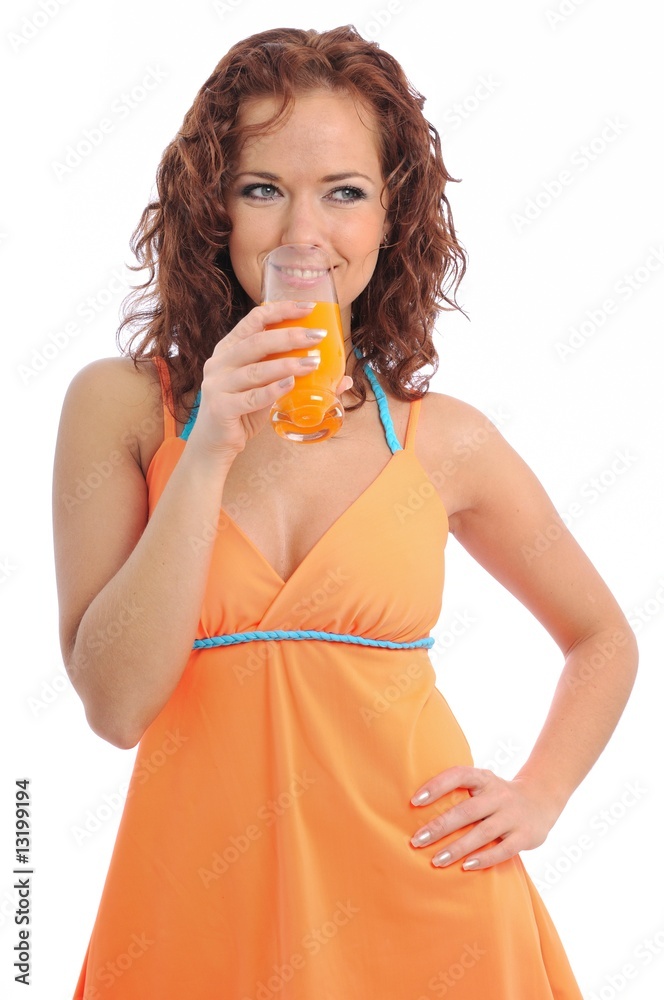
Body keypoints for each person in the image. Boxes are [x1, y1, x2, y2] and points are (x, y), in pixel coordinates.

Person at [53, 25, 637, 999]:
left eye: (344, 191)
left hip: (434, 918)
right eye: (261, 188)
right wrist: (207, 455)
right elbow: (115, 706)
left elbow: (602, 636)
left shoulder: (445, 440)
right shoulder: (120, 409)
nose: (301, 235)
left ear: (391, 217)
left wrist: (540, 792)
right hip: (198, 924)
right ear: (212, 209)